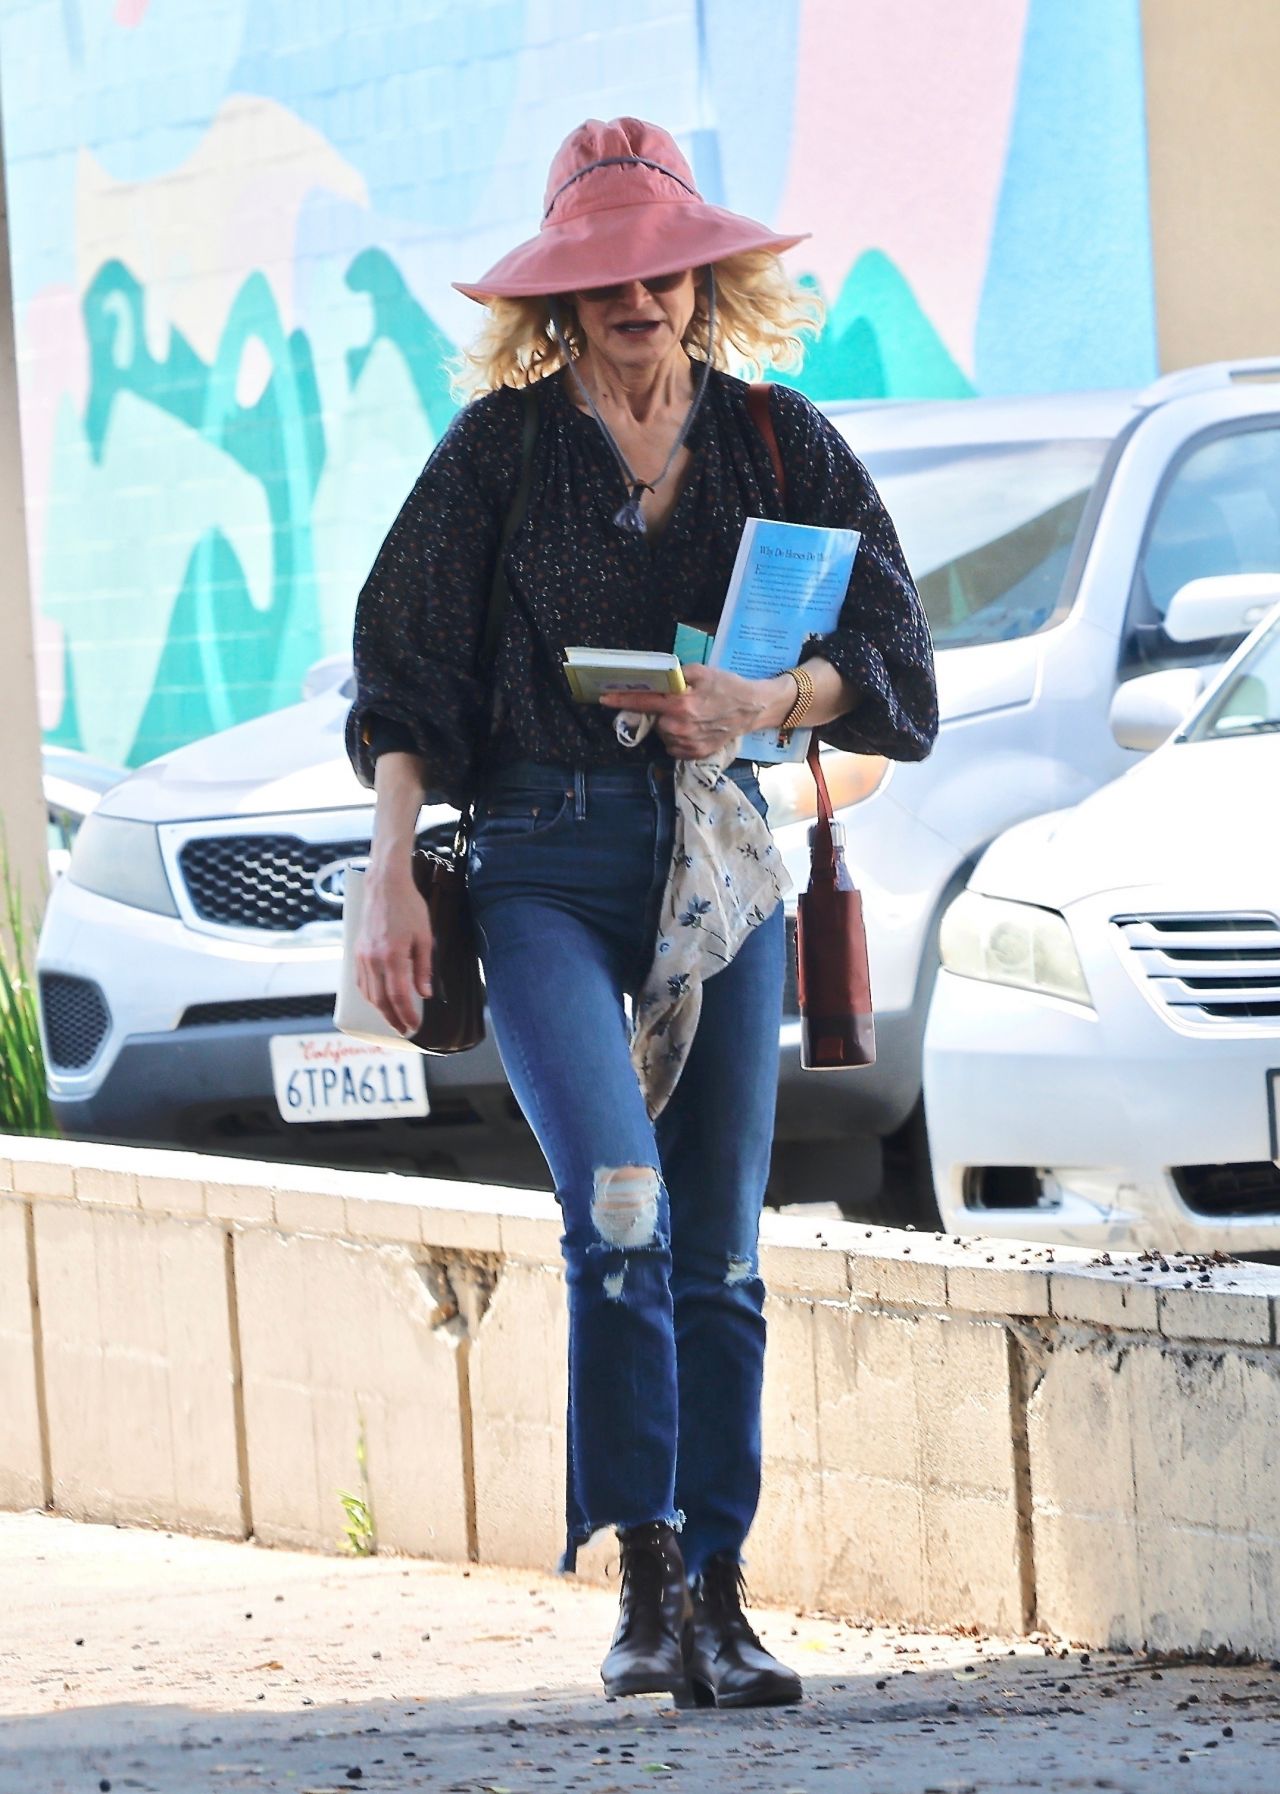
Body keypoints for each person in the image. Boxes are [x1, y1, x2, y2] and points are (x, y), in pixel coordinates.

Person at [347, 117, 937, 1709]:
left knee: (722, 1248)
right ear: (562, 295)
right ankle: (648, 1583)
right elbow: (398, 675)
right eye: (601, 268)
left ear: (701, 276)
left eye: (659, 263)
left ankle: (728, 1598)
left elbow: (896, 665)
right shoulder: (496, 455)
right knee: (619, 1201)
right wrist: (390, 870)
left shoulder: (775, 442)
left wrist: (767, 697)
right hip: (539, 856)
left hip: (719, 859)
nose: (635, 292)